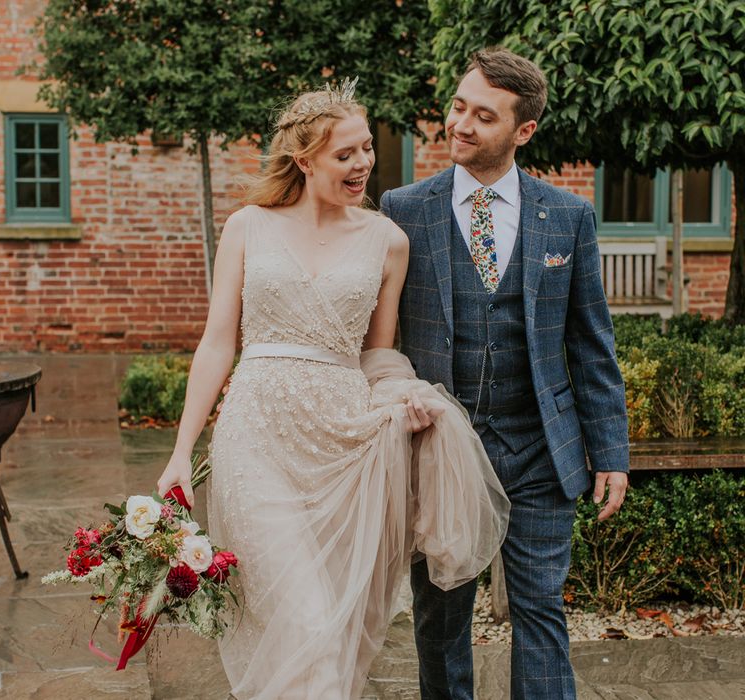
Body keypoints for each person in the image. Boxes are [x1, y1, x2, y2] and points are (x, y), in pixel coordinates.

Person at [156, 81, 509, 700]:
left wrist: (403, 396)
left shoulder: (386, 240)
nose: (363, 164)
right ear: (305, 159)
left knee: (336, 632)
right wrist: (182, 453)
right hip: (256, 439)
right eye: (346, 154)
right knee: (307, 620)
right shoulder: (247, 226)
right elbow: (218, 343)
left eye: (367, 149)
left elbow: (378, 352)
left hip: (343, 446)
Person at [380, 48, 630, 700]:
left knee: (541, 608)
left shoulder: (568, 218)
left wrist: (611, 453)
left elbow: (591, 345)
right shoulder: (403, 209)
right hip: (441, 450)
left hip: (540, 448)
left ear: (523, 131)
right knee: (441, 617)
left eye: (482, 116)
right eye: (458, 106)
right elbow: (379, 337)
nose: (459, 123)